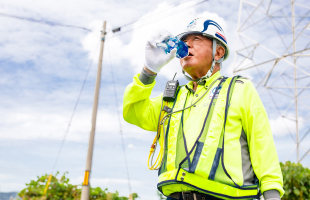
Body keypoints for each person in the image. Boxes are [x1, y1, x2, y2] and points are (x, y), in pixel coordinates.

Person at [123, 17, 284, 200]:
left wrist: (272, 196)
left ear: (218, 53)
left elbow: (262, 145)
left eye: (197, 40)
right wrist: (149, 70)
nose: (187, 45)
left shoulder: (239, 89)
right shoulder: (173, 98)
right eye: (184, 42)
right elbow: (133, 112)